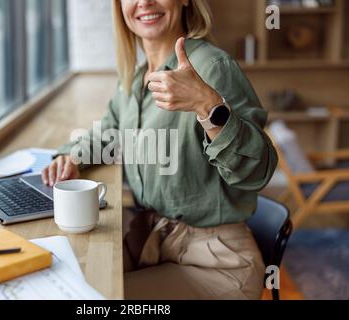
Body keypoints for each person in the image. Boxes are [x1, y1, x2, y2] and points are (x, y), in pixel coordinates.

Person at [42, 0, 278, 300]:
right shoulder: (135, 76)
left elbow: (258, 171)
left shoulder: (211, 67)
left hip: (216, 263)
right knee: (73, 281)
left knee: (95, 299)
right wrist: (72, 156)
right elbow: (108, 131)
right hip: (155, 244)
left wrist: (208, 106)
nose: (144, 2)